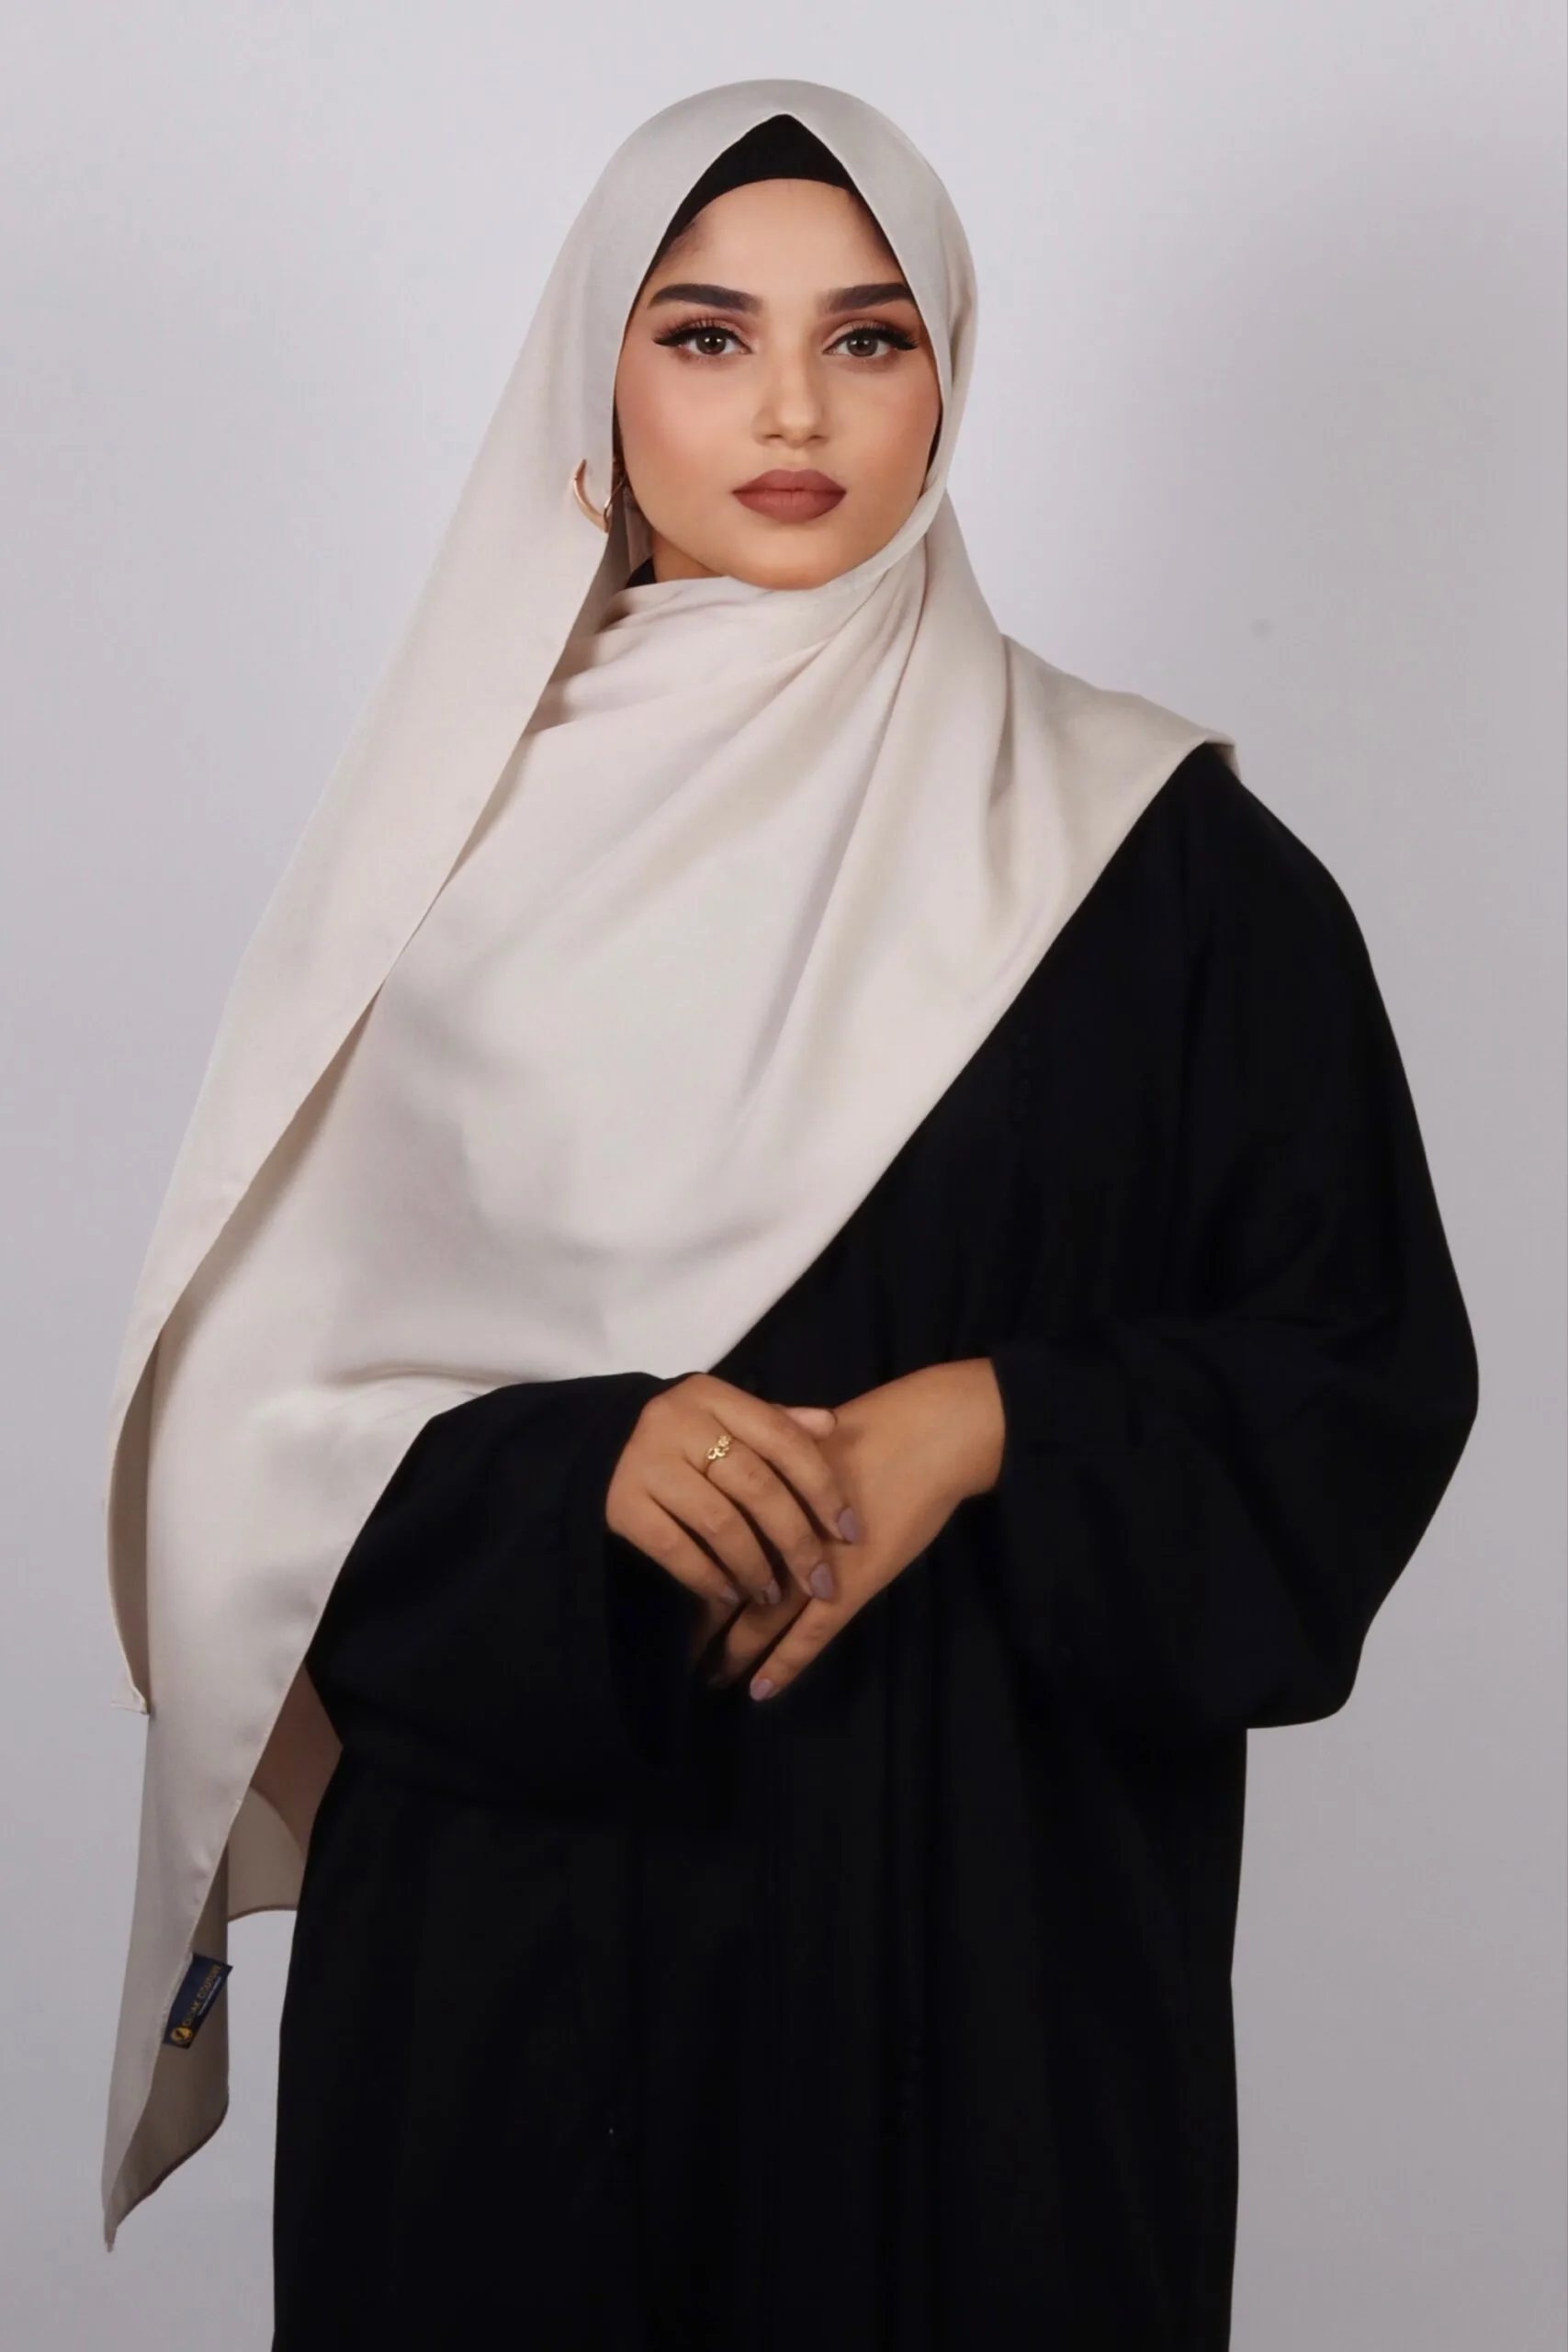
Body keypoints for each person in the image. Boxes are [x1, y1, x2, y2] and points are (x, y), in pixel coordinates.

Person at [98, 80, 1478, 2352]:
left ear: (947, 370)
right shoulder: (432, 871)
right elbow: (249, 1463)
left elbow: (1356, 1377)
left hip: (993, 1981)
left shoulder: (1165, 865)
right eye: (707, 335)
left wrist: (994, 1420)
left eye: (867, 335)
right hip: (516, 2002)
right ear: (598, 380)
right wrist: (572, 1466)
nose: (793, 411)